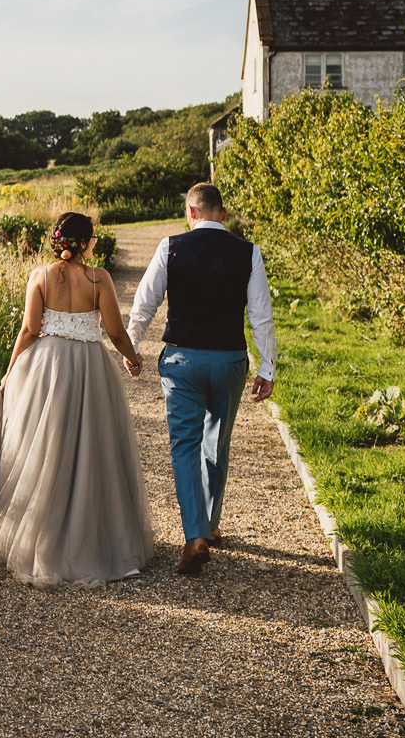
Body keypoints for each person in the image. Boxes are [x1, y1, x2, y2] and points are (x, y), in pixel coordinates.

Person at [0, 212, 155, 587]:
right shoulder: (99, 278)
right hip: (89, 367)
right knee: (91, 450)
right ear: (85, 242)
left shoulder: (39, 276)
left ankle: (39, 537)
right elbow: (115, 332)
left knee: (42, 450)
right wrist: (133, 360)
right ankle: (93, 543)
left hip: (45, 365)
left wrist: (11, 370)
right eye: (91, 237)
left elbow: (29, 329)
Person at [127, 182, 277, 575]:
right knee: (217, 444)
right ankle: (210, 525)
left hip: (182, 362)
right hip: (229, 361)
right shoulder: (248, 252)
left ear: (190, 213)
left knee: (184, 448)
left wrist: (132, 347)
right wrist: (267, 367)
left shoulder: (170, 247)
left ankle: (194, 535)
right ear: (223, 214)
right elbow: (261, 316)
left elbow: (145, 303)